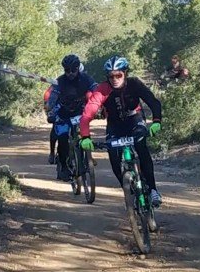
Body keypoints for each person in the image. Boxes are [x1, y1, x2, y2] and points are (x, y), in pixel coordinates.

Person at [79, 55, 163, 207]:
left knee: (141, 148)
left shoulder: (134, 84)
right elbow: (87, 114)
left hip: (135, 119)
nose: (115, 79)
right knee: (114, 157)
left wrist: (156, 121)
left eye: (118, 75)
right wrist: (85, 136)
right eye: (111, 76)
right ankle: (129, 191)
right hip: (115, 125)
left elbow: (153, 102)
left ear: (125, 73)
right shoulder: (102, 89)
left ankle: (153, 190)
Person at [47, 54, 97, 181]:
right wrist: (50, 108)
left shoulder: (86, 79)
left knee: (84, 131)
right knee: (62, 137)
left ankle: (88, 157)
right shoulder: (60, 81)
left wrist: (99, 106)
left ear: (78, 68)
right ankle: (64, 167)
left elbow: (96, 90)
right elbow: (53, 96)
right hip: (63, 113)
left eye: (73, 70)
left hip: (79, 111)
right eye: (67, 70)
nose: (70, 73)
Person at [43, 85, 57, 164]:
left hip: (76, 109)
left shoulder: (82, 82)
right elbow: (48, 95)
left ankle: (87, 156)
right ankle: (52, 153)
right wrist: (49, 111)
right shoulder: (58, 84)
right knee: (56, 127)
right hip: (59, 109)